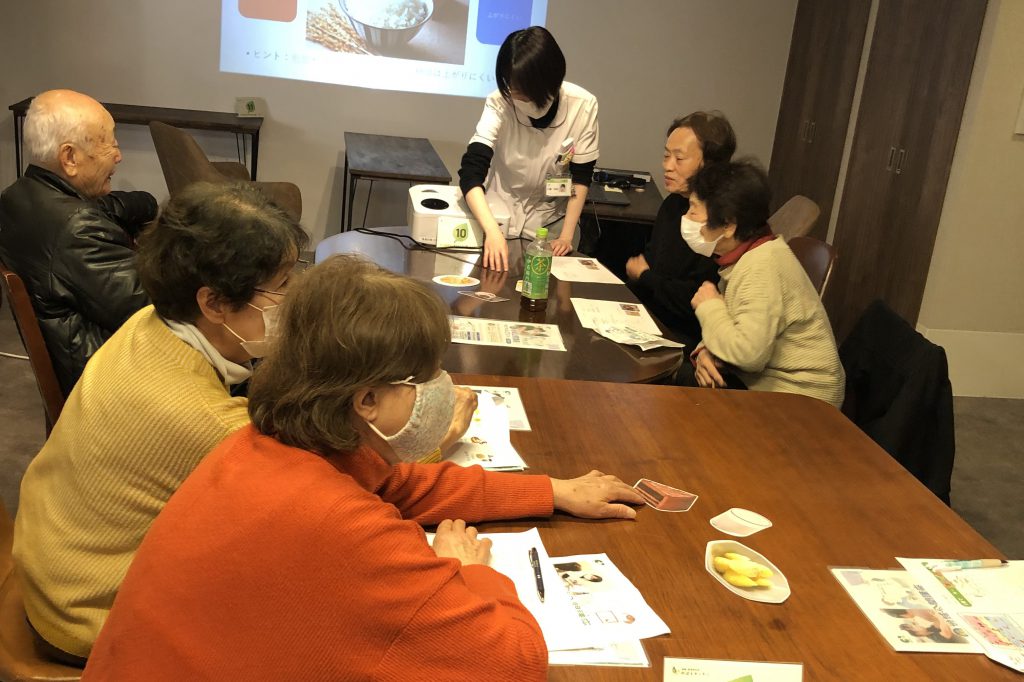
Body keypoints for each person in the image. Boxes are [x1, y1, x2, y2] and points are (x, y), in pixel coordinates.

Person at [82, 255, 645, 680]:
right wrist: (467, 571)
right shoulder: (339, 526)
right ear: (366, 401)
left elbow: (399, 486)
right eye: (423, 377)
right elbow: (513, 661)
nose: (441, 388)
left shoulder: (261, 447)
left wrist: (551, 491)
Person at [11, 182, 312, 665]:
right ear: (214, 303)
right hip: (86, 616)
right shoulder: (205, 420)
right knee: (306, 607)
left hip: (55, 563)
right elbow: (317, 496)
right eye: (281, 286)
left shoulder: (149, 322)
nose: (293, 298)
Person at [0, 89, 157, 394]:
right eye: (108, 143)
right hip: (107, 383)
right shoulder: (79, 229)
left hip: (73, 363)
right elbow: (157, 309)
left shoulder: (18, 196)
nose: (119, 155)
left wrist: (147, 203)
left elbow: (105, 207)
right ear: (69, 157)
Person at [685, 161, 845, 407]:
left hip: (801, 401)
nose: (687, 219)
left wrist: (708, 307)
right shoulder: (749, 255)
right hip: (765, 383)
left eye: (694, 210)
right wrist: (706, 351)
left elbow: (749, 355)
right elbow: (735, 322)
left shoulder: (761, 266)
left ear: (728, 226)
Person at [458, 26, 599, 270]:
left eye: (523, 92)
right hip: (498, 215)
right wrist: (492, 230)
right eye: (511, 88)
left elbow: (581, 177)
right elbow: (471, 171)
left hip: (551, 223)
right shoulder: (499, 103)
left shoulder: (582, 106)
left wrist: (566, 236)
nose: (515, 96)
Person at [625, 111, 735, 345]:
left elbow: (695, 299)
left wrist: (645, 277)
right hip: (651, 317)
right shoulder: (673, 204)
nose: (667, 166)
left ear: (709, 165)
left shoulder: (719, 221)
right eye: (666, 156)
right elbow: (653, 263)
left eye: (679, 158)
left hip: (688, 335)